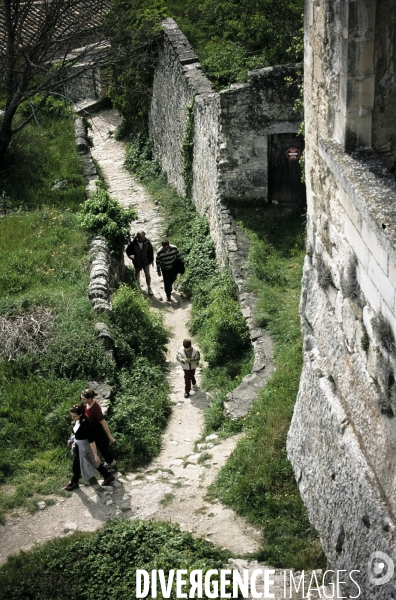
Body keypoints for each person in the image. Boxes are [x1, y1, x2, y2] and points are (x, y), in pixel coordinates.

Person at [63, 404, 114, 491]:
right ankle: (107, 476)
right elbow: (75, 432)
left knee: (84, 464)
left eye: (74, 416)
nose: (73, 418)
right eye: (71, 416)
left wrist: (95, 455)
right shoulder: (77, 421)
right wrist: (71, 440)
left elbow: (92, 441)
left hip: (85, 448)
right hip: (80, 446)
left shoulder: (86, 425)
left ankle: (74, 482)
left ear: (80, 414)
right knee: (87, 464)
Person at [81, 389, 116, 469]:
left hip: (98, 430)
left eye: (84, 399)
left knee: (103, 448)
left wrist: (109, 436)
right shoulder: (87, 403)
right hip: (91, 428)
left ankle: (111, 462)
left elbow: (103, 423)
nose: (82, 401)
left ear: (90, 399)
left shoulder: (96, 410)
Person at [126, 231, 154, 295]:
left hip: (145, 261)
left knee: (147, 273)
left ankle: (149, 287)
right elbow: (128, 251)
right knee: (137, 272)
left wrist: (151, 260)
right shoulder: (133, 243)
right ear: (138, 238)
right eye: (142, 238)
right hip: (137, 261)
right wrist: (130, 256)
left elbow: (150, 250)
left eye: (144, 237)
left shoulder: (147, 241)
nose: (143, 239)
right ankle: (138, 285)